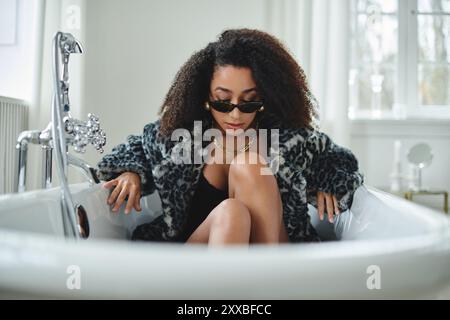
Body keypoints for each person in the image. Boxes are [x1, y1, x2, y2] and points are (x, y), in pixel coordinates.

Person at [96, 28, 364, 246]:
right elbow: (134, 149)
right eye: (223, 102)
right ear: (205, 96)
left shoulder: (288, 139)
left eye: (248, 103)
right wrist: (131, 172)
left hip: (277, 259)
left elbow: (338, 158)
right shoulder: (179, 137)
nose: (235, 115)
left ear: (264, 98)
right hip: (196, 262)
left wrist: (331, 180)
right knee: (231, 213)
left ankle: (258, 286)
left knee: (249, 165)